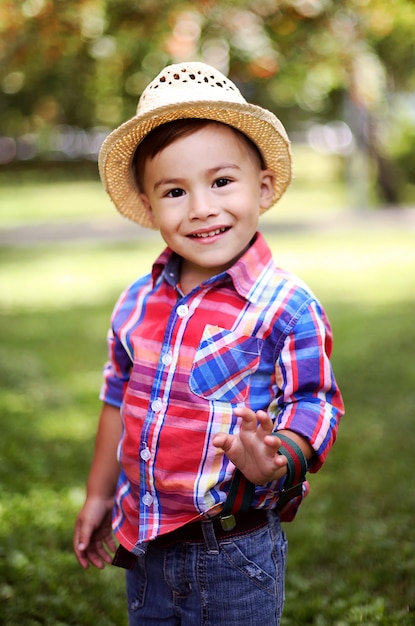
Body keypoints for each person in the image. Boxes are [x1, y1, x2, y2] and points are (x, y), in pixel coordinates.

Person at [73, 61, 344, 625]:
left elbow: (315, 404)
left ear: (263, 187)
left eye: (222, 181)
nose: (200, 207)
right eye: (175, 190)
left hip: (233, 550)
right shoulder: (135, 303)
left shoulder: (286, 306)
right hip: (145, 545)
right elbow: (116, 402)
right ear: (149, 206)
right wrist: (100, 496)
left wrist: (274, 457)